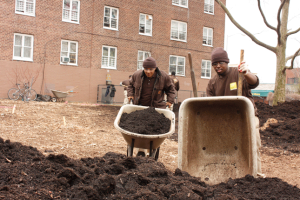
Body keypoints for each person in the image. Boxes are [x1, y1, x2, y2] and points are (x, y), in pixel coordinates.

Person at [206, 47, 265, 178]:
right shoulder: (212, 83)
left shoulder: (238, 74)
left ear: (226, 62)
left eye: (220, 63)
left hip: (247, 117)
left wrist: (246, 72)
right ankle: (232, 176)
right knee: (228, 148)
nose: (217, 66)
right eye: (214, 64)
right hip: (227, 121)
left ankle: (256, 175)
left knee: (252, 147)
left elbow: (254, 82)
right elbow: (209, 105)